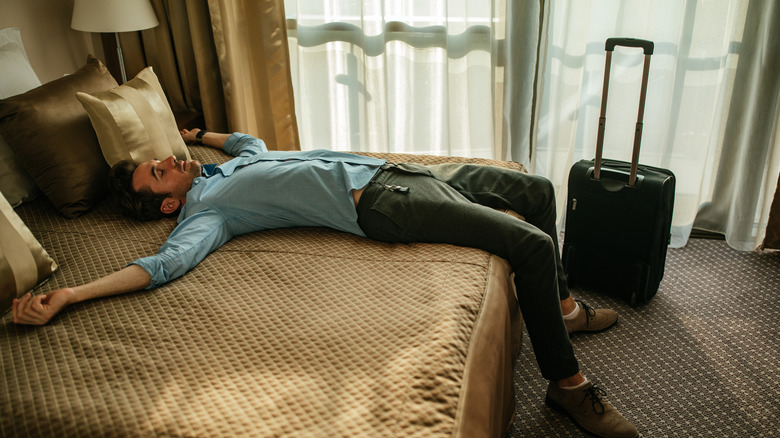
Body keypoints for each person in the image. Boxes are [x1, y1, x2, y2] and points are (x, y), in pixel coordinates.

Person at [12, 129, 638, 438]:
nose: (170, 160)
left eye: (165, 156)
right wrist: (71, 293)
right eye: (159, 172)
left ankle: (561, 305)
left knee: (537, 190)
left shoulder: (232, 163)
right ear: (169, 206)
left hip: (395, 170)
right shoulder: (209, 213)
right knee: (527, 241)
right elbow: (163, 266)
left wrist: (197, 133)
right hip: (382, 203)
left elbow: (250, 141)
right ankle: (566, 383)